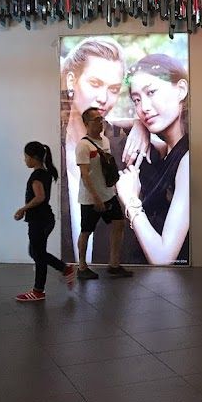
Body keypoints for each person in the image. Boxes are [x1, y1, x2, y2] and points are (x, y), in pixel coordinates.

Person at [59, 38, 148, 263]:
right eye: (95, 83)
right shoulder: (52, 145)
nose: (103, 99)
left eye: (114, 89)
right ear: (72, 80)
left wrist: (142, 125)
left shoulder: (123, 148)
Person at [116, 54, 191, 265]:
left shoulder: (187, 160)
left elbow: (163, 257)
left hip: (178, 288)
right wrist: (139, 125)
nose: (144, 108)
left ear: (181, 90)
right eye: (137, 100)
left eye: (151, 92)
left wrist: (130, 200)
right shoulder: (163, 150)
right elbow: (103, 120)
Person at [14, 142, 75, 301]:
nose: (25, 160)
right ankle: (64, 268)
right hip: (45, 219)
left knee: (38, 254)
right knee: (35, 252)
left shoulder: (37, 176)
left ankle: (38, 290)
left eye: (26, 157)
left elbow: (39, 197)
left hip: (39, 219)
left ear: (34, 158)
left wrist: (23, 209)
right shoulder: (46, 173)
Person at [75, 107, 131, 279]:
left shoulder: (105, 141)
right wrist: (95, 198)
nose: (100, 122)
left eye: (101, 119)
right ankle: (82, 267)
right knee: (86, 231)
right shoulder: (83, 146)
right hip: (91, 198)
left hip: (108, 194)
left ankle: (114, 264)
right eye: (96, 120)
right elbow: (85, 174)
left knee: (119, 223)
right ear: (86, 124)